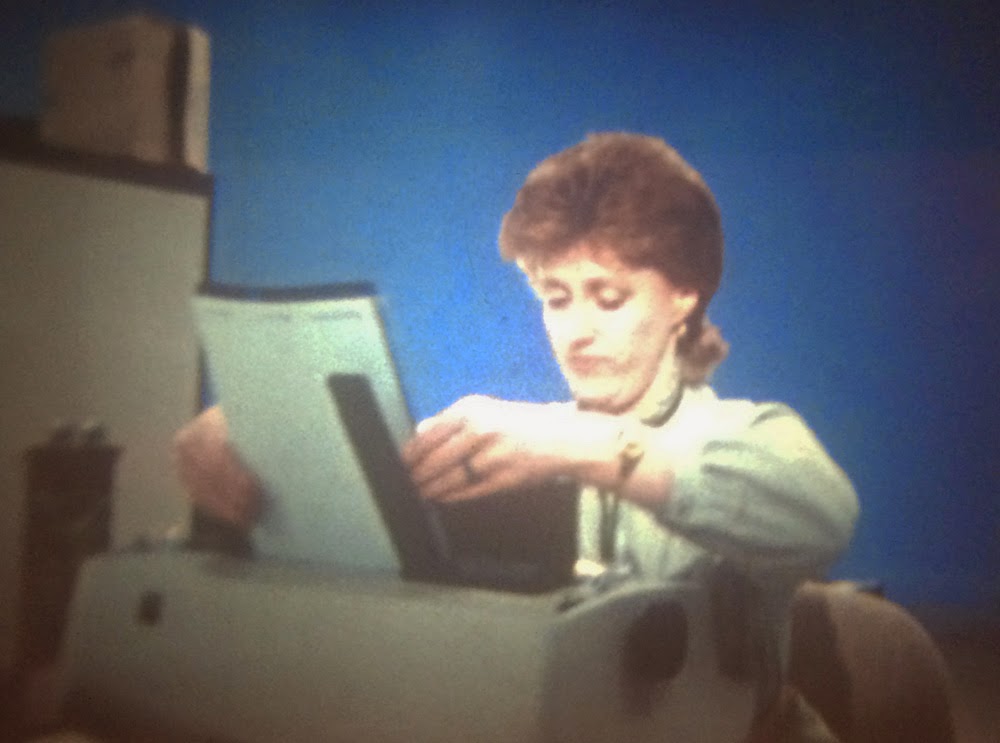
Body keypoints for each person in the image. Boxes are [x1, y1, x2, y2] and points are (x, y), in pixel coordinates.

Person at [173, 132, 859, 741]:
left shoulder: (740, 432)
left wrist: (586, 445)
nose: (577, 331)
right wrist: (252, 431)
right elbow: (373, 474)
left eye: (609, 297)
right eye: (556, 299)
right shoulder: (521, 442)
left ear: (685, 295)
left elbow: (825, 514)